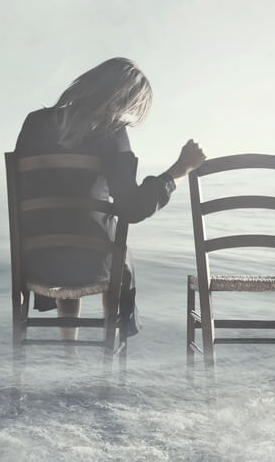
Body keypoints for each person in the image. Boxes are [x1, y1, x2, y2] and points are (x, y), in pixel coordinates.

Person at [14, 57, 205, 339]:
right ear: (124, 103)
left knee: (74, 231)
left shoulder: (34, 122)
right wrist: (178, 171)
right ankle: (110, 353)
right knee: (119, 253)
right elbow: (132, 209)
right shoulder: (110, 132)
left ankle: (70, 358)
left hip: (37, 261)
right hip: (88, 264)